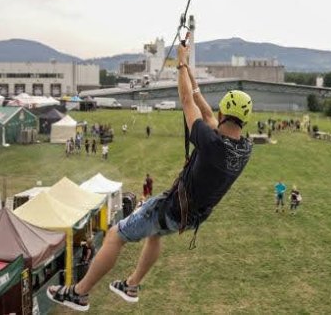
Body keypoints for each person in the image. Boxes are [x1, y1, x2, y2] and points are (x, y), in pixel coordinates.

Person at [47, 33, 254, 311]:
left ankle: (79, 293)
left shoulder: (213, 143)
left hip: (171, 208)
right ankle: (131, 284)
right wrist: (190, 73)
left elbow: (187, 102)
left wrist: (179, 65)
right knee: (154, 233)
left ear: (225, 111)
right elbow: (205, 112)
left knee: (115, 235)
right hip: (190, 217)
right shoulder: (243, 148)